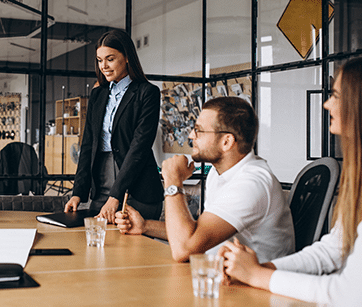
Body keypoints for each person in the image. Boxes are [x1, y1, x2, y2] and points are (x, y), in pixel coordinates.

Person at [219, 57, 362, 304]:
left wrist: (257, 275)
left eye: (336, 95)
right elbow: (331, 252)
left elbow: (348, 293)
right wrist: (261, 269)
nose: (326, 104)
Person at [116, 96, 295, 263]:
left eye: (199, 131)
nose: (191, 136)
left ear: (226, 142)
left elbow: (183, 249)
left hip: (251, 289)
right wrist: (145, 226)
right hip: (221, 276)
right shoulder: (218, 173)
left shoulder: (251, 183)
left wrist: (173, 181)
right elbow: (197, 234)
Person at [64, 29, 164, 223]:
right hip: (101, 182)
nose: (104, 66)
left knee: (132, 250)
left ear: (127, 57)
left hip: (139, 187)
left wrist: (115, 196)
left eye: (110, 59)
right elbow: (87, 145)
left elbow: (139, 147)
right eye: (100, 60)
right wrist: (78, 193)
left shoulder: (147, 93)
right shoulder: (98, 94)